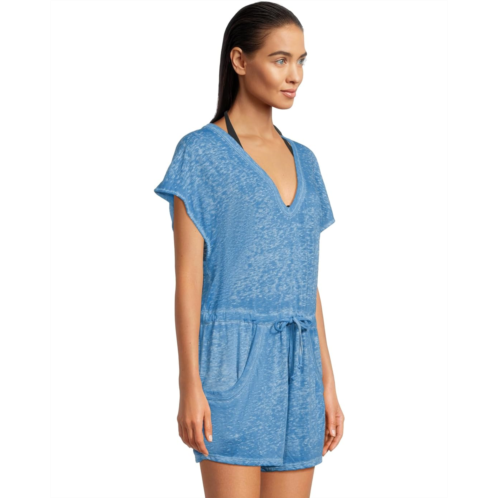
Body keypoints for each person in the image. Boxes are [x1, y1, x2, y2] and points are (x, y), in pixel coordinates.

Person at [154, 2, 344, 497]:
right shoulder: (200, 154)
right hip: (231, 365)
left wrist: (327, 382)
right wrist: (189, 385)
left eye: (301, 61)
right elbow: (188, 280)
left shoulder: (306, 161)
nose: (295, 75)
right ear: (239, 60)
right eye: (280, 60)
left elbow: (306, 281)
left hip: (300, 371)